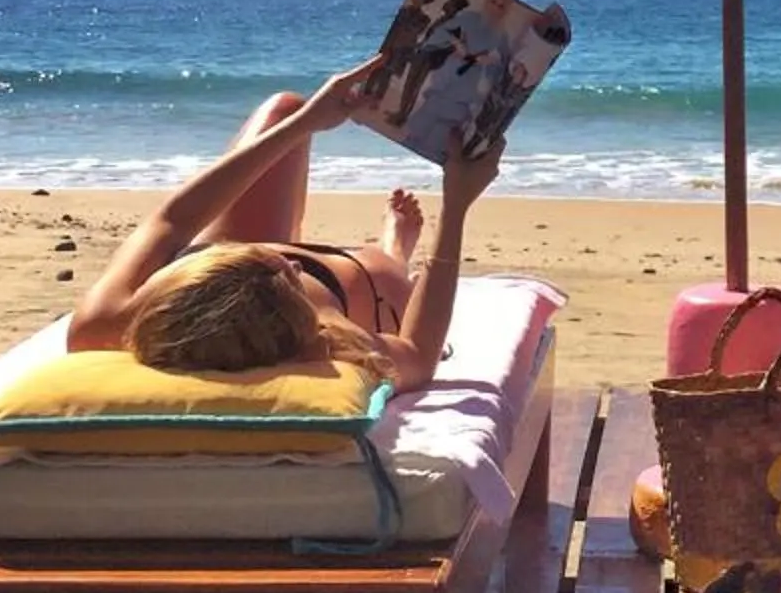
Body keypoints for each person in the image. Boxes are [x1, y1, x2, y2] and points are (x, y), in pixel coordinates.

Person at [67, 52, 498, 393]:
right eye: (289, 279)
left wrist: (305, 122)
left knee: (284, 108)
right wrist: (458, 203)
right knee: (384, 271)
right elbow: (420, 355)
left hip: (229, 280)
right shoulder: (327, 339)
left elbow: (174, 220)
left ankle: (291, 133)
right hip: (353, 285)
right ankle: (394, 247)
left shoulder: (102, 323)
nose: (289, 261)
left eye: (265, 260)